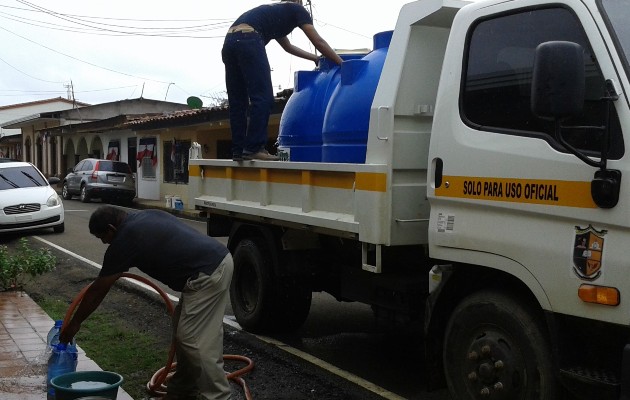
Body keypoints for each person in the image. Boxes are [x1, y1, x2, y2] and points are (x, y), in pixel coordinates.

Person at [59, 206, 234, 400]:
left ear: (111, 228)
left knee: (193, 340)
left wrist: (74, 324)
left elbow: (97, 291)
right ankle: (182, 391)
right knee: (182, 332)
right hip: (211, 264)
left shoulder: (125, 239)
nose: (103, 242)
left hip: (207, 274)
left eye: (102, 237)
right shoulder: (144, 215)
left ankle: (220, 396)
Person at [222, 0, 343, 161]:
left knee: (238, 103)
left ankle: (238, 151)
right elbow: (318, 41)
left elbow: (288, 47)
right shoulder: (297, 9)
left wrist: (314, 58)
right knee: (263, 98)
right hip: (248, 39)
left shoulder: (275, 14)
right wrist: (341, 63)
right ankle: (253, 148)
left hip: (229, 42)